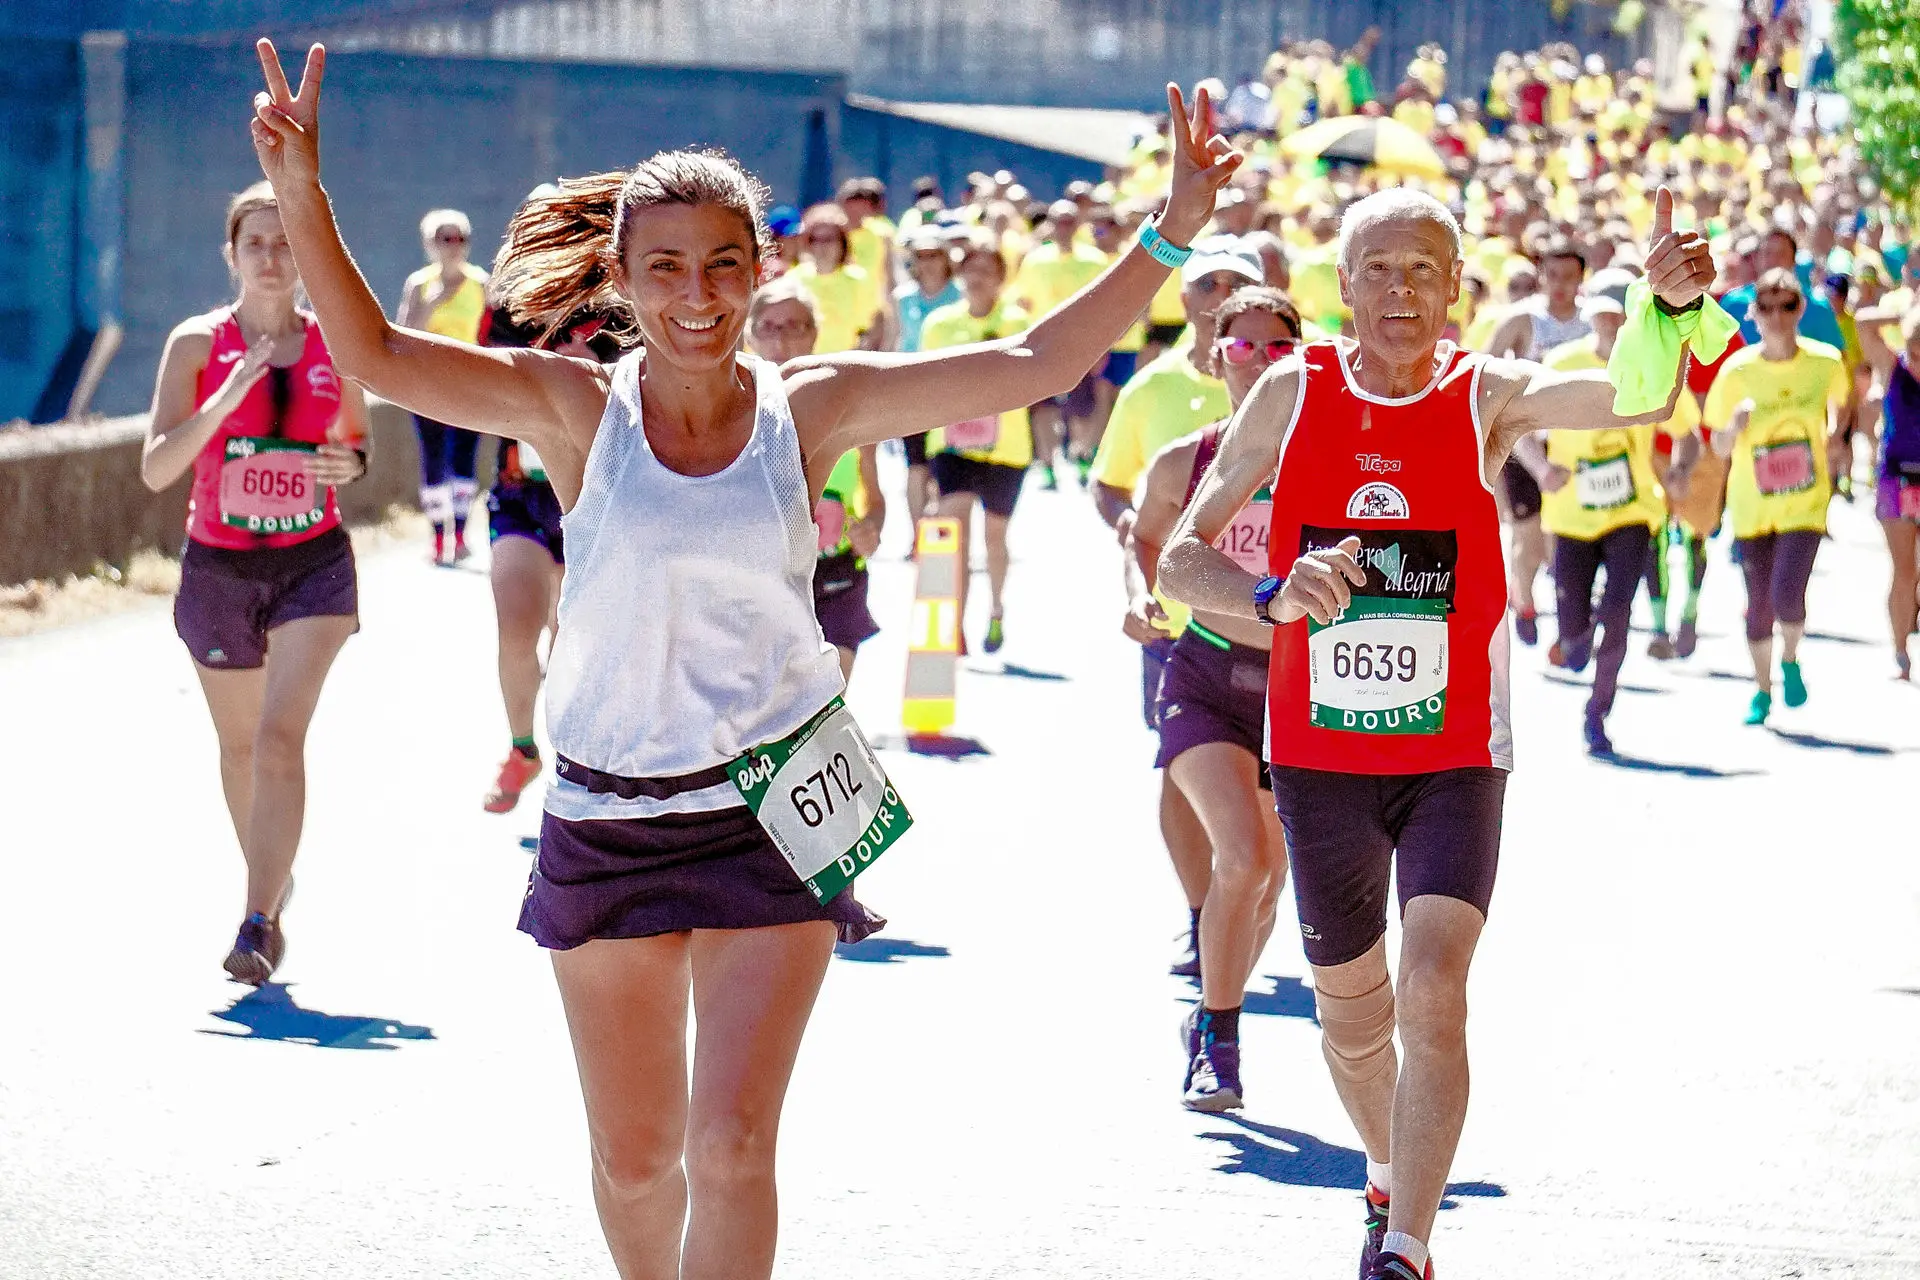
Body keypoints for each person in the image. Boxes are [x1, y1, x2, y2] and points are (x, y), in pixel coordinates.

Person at [249, 42, 1239, 1277]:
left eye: (725, 263)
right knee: (636, 1160)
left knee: (730, 1146)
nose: (699, 294)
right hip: (608, 819)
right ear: (621, 278)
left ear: (762, 266)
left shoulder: (811, 406)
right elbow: (384, 360)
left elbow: (1031, 365)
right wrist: (303, 192)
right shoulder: (576, 409)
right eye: (664, 268)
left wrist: (1172, 231)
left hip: (773, 812)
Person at [1159, 187, 1715, 1280]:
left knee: (1437, 983)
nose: (1401, 291)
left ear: (1457, 288)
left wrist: (1664, 311)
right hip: (1320, 755)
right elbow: (1181, 556)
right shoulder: (1290, 392)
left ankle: (1405, 1245)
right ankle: (1388, 1171)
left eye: (1424, 269)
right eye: (1379, 268)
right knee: (1352, 1019)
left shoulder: (1484, 395)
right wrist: (1274, 589)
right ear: (1344, 285)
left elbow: (1632, 400)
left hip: (1458, 749)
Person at [139, 179, 371, 983]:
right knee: (239, 749)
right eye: (256, 245)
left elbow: (358, 445)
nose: (272, 258)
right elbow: (157, 467)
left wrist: (350, 461)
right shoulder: (197, 346)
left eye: (285, 244)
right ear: (231, 256)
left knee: (277, 738)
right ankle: (273, 879)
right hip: (218, 569)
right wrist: (225, 401)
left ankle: (257, 921)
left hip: (312, 566)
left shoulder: (336, 346)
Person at [1126, 285, 1300, 1110]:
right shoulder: (1186, 460)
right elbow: (1146, 537)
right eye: (1242, 347)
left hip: (1302, 692)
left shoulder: (1330, 461)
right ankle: (1221, 1044)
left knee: (1264, 887)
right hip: (1205, 674)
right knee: (1248, 858)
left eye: (1277, 349)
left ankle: (1207, 1014)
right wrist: (1140, 594)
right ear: (1214, 357)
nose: (1259, 361)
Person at [1091, 235, 1261, 979]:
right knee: (1177, 772)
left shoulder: (1290, 384)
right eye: (1206, 284)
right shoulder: (1151, 390)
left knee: (1259, 797)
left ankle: (1238, 899)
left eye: (1238, 282)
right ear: (1186, 300)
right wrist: (1143, 564)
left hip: (1267, 628)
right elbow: (1112, 488)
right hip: (1176, 624)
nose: (1219, 293)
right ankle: (1203, 913)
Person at [1512, 280, 1701, 754]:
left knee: (1618, 614)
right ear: (1588, 315)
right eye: (1602, 316)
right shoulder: (1561, 364)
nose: (1610, 325)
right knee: (1575, 639)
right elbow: (1518, 426)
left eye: (1619, 317)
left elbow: (1689, 431)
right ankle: (1574, 641)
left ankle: (1597, 713)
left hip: (1633, 512)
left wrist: (1679, 471)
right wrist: (1539, 468)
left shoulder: (1651, 367)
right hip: (1572, 515)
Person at [480, 296, 620, 814]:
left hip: (594, 493)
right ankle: (522, 748)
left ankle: (574, 759)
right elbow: (480, 381)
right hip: (523, 494)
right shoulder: (508, 312)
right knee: (517, 625)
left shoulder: (618, 307)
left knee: (574, 643)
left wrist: (594, 363)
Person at [1706, 268, 1851, 723]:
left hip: (1805, 500)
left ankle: (1790, 660)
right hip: (1752, 501)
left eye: (1786, 305)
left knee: (1788, 593)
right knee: (1758, 601)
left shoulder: (1825, 362)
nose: (1776, 316)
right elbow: (1717, 444)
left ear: (1800, 309)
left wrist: (1834, 438)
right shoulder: (1737, 371)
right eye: (1765, 307)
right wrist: (1734, 427)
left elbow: (1843, 404)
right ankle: (1762, 689)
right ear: (1753, 314)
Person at [748, 276, 887, 679]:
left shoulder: (846, 407)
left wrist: (872, 529)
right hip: (760, 580)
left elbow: (875, 500)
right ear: (750, 335)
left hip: (837, 572)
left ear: (815, 332)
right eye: (769, 328)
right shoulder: (728, 410)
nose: (781, 340)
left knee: (831, 698)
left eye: (794, 326)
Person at [921, 235, 1031, 654]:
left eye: (987, 271)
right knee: (954, 533)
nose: (978, 278)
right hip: (951, 443)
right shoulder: (941, 324)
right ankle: (954, 625)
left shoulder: (1018, 324)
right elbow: (926, 379)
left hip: (1006, 446)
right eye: (971, 269)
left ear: (1002, 279)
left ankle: (996, 610)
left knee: (995, 538)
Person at [1486, 238, 1591, 645]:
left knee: (1563, 539)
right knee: (1528, 533)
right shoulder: (1522, 321)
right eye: (1552, 275)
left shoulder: (1592, 322)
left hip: (1578, 442)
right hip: (1528, 443)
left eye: (1569, 276)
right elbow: (1484, 368)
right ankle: (1525, 602)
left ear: (1582, 277)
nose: (1561, 285)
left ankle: (1571, 614)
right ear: (1540, 276)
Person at [397, 207, 490, 564]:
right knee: (433, 458)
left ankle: (462, 535)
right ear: (429, 244)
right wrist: (436, 299)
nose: (453, 246)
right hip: (426, 385)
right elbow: (403, 334)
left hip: (469, 384)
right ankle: (437, 540)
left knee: (464, 458)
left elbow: (491, 335)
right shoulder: (418, 285)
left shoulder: (482, 283)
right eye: (444, 238)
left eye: (459, 238)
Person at [1009, 199, 1111, 487]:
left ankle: (1080, 457)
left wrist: (1102, 346)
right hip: (1040, 344)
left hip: (1082, 345)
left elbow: (1104, 307)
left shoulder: (1094, 259)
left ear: (1078, 224)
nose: (1064, 227)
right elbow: (1022, 301)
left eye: (1069, 221)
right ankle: (1048, 463)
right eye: (1059, 221)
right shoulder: (1035, 260)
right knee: (1043, 408)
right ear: (1050, 224)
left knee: (1081, 408)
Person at [1853, 300, 1920, 678]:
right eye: (1915, 352)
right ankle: (1900, 649)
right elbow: (1863, 322)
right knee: (1904, 569)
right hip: (1897, 479)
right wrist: (1907, 314)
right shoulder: (1894, 368)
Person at [893, 227, 962, 529]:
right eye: (921, 256)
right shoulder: (902, 299)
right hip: (911, 388)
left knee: (943, 467)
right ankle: (917, 534)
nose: (928, 262)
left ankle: (943, 535)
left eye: (934, 255)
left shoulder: (959, 295)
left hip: (950, 388)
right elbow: (894, 340)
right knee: (916, 466)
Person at [789, 203, 882, 353]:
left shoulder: (858, 279)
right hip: (803, 362)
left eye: (830, 239)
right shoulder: (794, 279)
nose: (823, 246)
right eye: (816, 239)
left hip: (845, 364)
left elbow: (868, 328)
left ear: (843, 243)